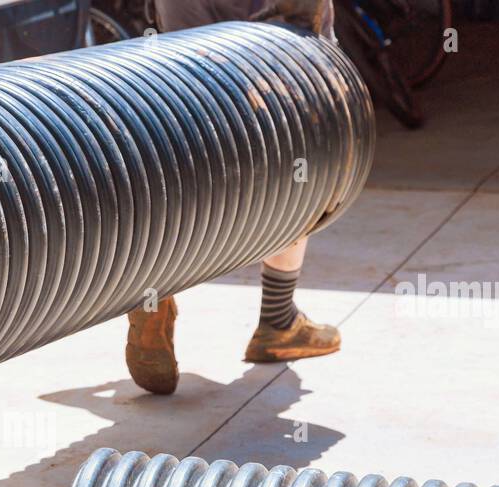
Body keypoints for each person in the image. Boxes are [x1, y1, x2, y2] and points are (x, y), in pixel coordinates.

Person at [125, 0, 340, 395]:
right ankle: (278, 322)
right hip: (272, 61)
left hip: (189, 48)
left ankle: (154, 294)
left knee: (186, 156)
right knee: (305, 150)